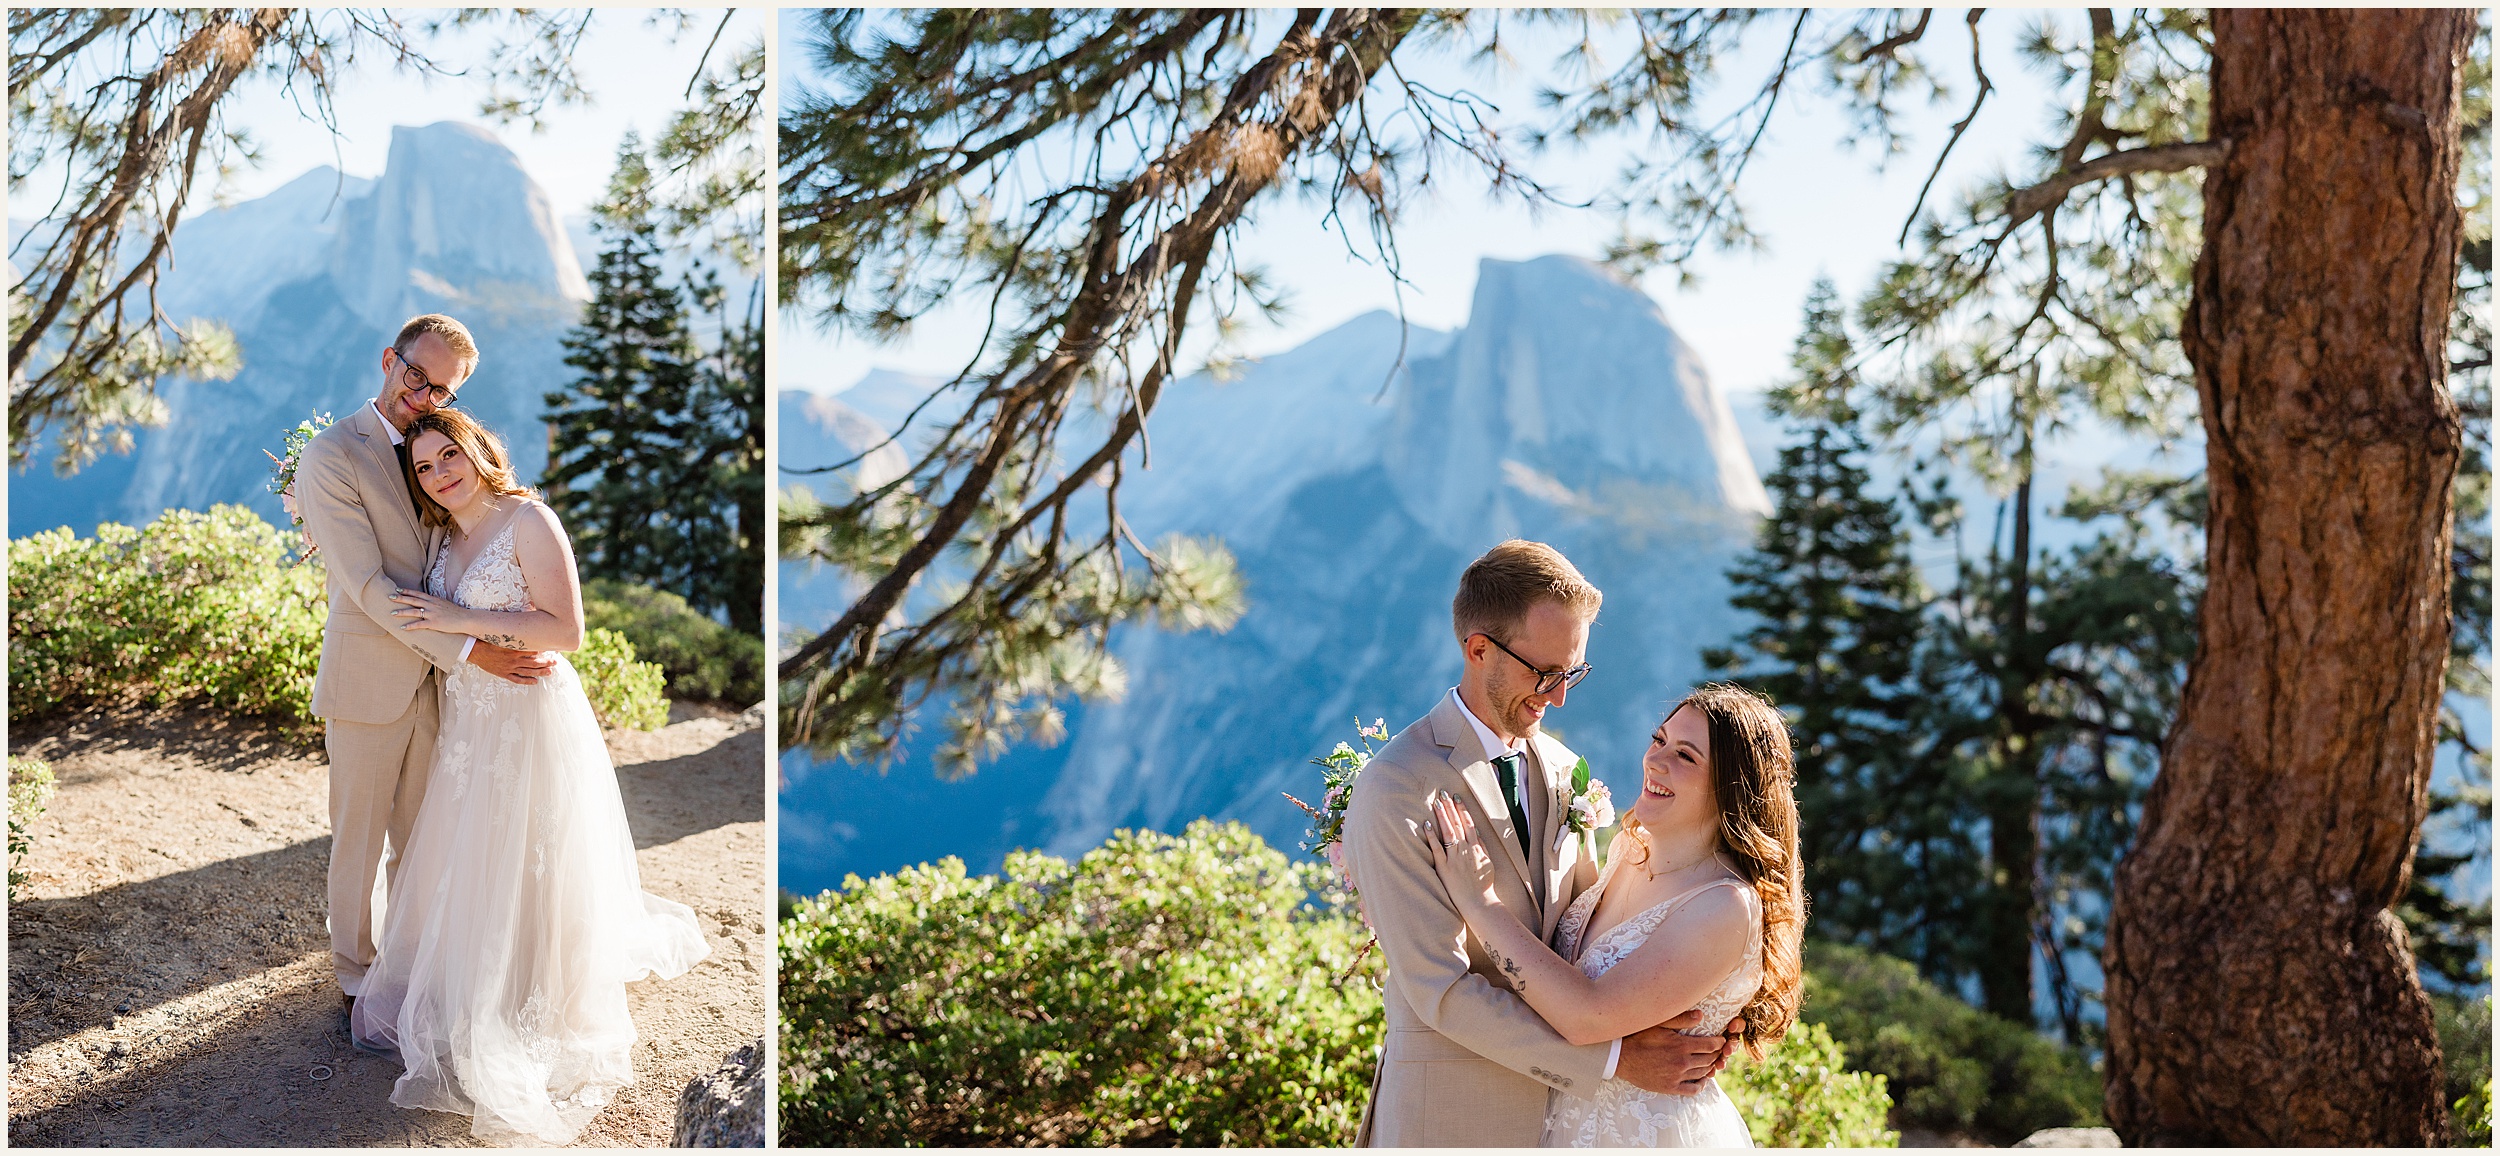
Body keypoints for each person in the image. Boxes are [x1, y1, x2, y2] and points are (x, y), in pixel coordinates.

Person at [346, 407, 709, 1144]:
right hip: (472, 715)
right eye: (423, 467)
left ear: (479, 450)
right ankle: (479, 973)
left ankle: (533, 985)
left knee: (535, 847)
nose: (439, 474)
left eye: (449, 456)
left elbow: (566, 631)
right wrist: (462, 633)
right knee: (476, 844)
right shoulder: (446, 534)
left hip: (528, 709)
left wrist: (456, 620)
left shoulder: (529, 521)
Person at [1338, 540, 1744, 1148]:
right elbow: (1439, 989)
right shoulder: (1395, 788)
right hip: (1450, 1122)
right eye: (1545, 673)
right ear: (1478, 649)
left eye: (1571, 673)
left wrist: (1707, 999)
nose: (1558, 697)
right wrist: (1613, 1062)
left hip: (1567, 1127)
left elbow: (1593, 935)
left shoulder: (1562, 770)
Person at [295, 314, 557, 1005]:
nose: (424, 396)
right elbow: (371, 586)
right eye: (417, 376)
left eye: (442, 390)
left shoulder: (434, 452)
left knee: (420, 840)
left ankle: (409, 973)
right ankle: (355, 977)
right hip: (370, 679)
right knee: (356, 842)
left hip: (439, 687)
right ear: (390, 358)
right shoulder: (330, 455)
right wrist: (477, 653)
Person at [1427, 683, 1806, 1147]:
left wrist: (1480, 902)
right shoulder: (1631, 848)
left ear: (1733, 785)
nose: (1655, 761)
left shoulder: (1723, 906)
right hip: (1552, 1119)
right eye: (1659, 739)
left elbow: (1587, 1015)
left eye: (1686, 756)